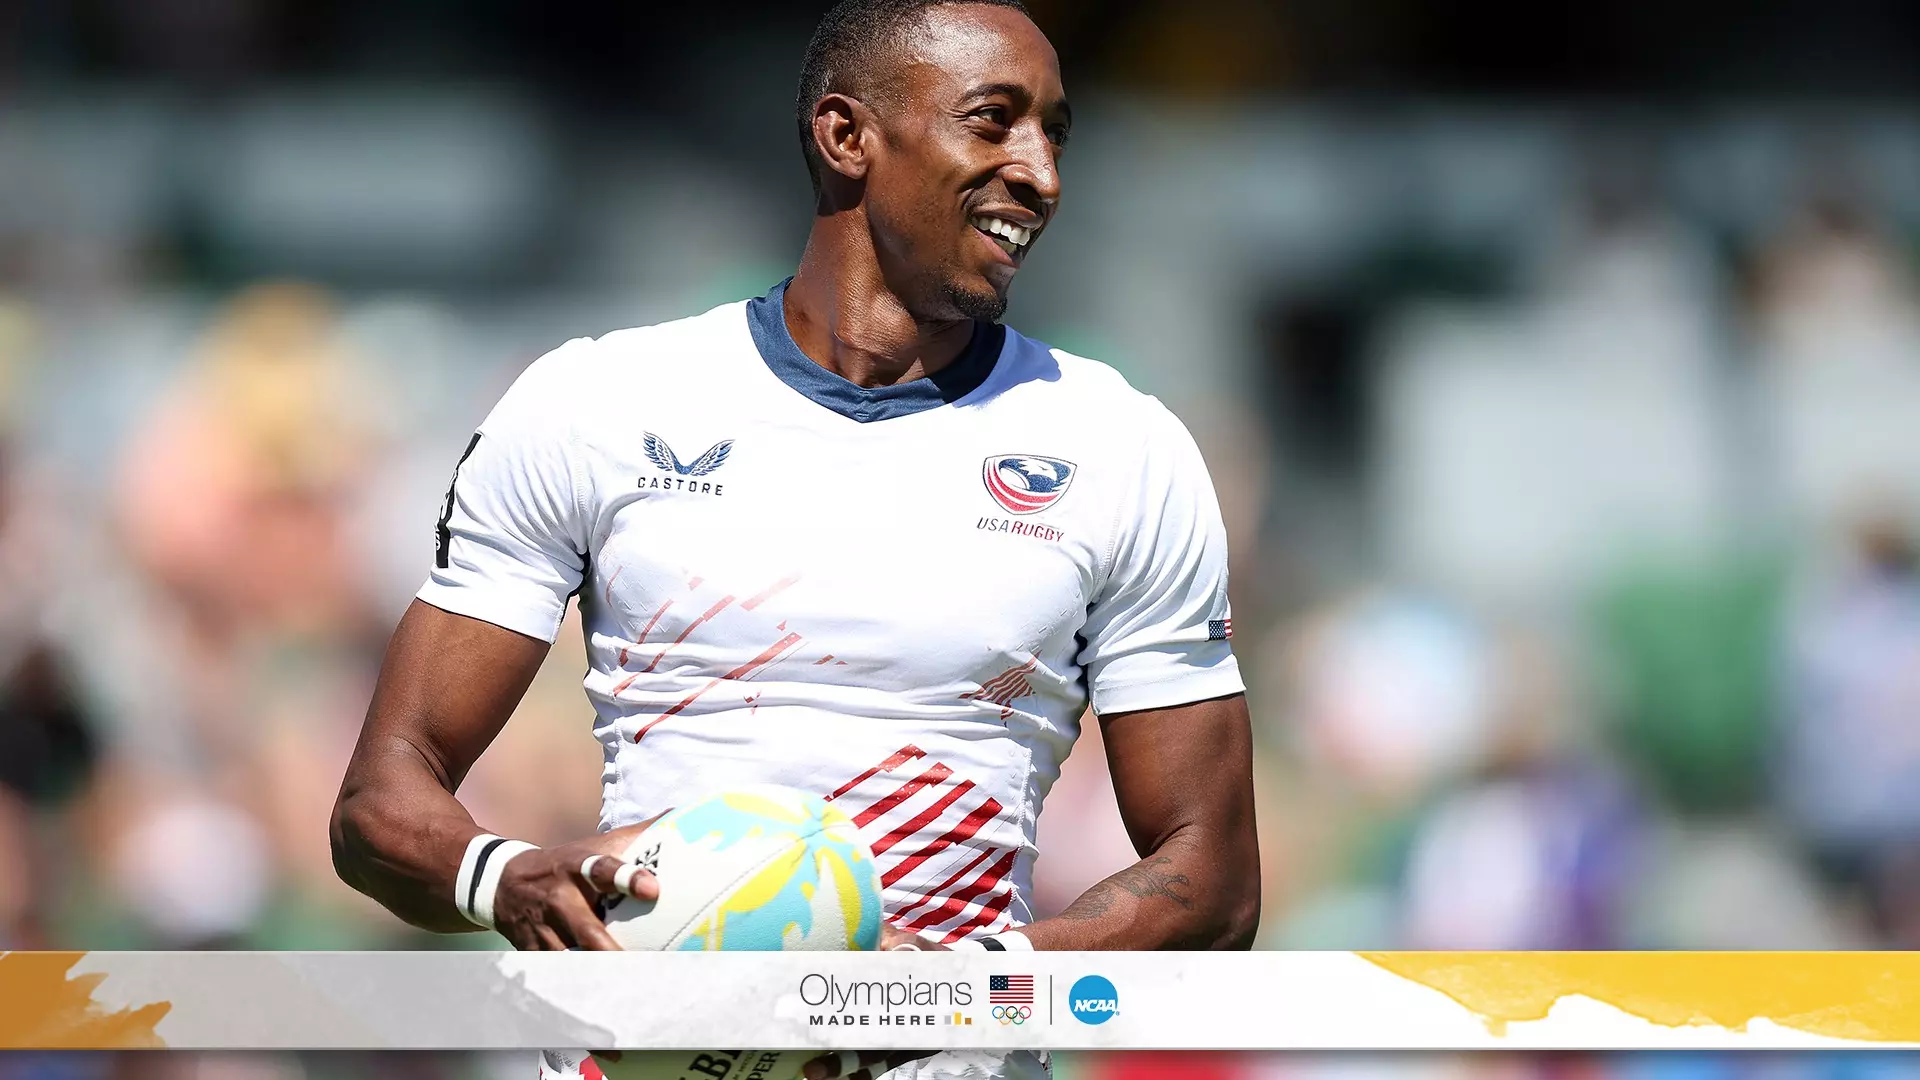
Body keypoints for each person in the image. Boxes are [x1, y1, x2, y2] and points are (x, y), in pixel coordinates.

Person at [330, 0, 1260, 1077]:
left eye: (1055, 132)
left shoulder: (1120, 448)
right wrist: (508, 877)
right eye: (995, 121)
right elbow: (378, 803)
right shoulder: (595, 404)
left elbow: (1214, 886)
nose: (1040, 173)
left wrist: (951, 999)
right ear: (846, 135)